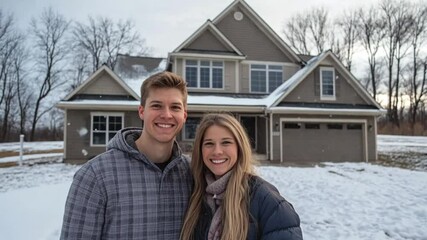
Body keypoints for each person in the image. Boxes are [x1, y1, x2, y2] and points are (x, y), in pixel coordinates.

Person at [60, 71, 193, 239]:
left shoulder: (191, 174)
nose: (166, 114)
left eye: (175, 107)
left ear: (184, 116)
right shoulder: (95, 176)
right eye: (157, 105)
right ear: (141, 112)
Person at [180, 113, 303, 240]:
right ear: (200, 150)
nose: (217, 151)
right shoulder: (195, 196)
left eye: (226, 142)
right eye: (209, 144)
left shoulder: (267, 201)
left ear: (239, 148)